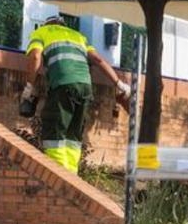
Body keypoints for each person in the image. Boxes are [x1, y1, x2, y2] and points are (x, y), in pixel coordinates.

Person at [21, 17, 130, 173]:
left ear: (47, 25)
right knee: (73, 137)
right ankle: (72, 177)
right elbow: (98, 60)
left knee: (55, 134)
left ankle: (58, 178)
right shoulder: (78, 36)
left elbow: (36, 57)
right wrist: (119, 84)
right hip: (85, 88)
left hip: (62, 85)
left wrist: (29, 87)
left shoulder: (42, 32)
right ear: (63, 25)